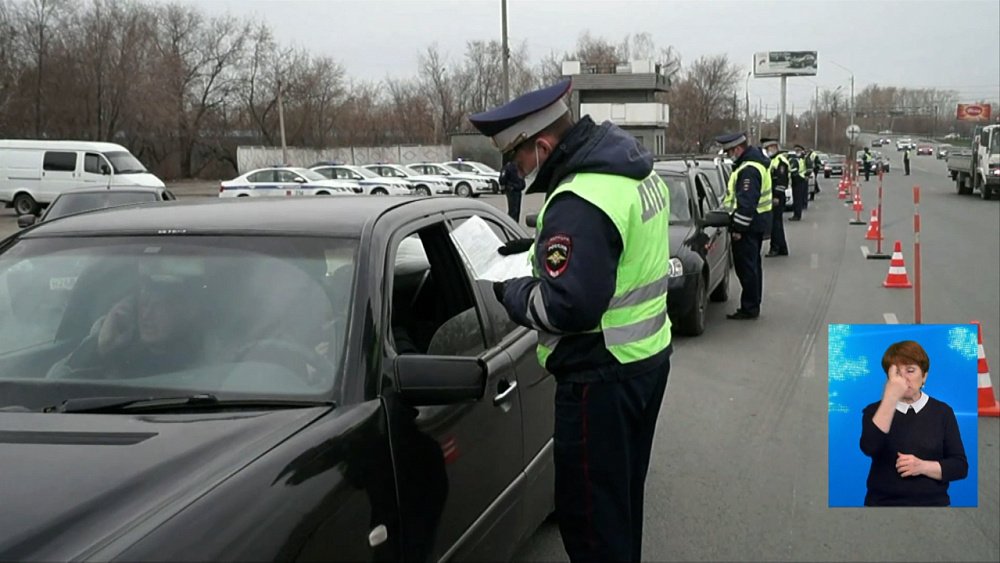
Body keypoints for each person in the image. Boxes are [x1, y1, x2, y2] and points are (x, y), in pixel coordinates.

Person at [469, 78, 672, 562]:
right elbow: (613, 256)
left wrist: (511, 289)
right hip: (644, 361)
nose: (516, 171)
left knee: (591, 523)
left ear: (541, 145)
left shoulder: (578, 199)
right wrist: (543, 250)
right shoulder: (631, 169)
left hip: (597, 378)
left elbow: (569, 308)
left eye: (516, 157)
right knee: (620, 504)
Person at [859, 340, 969, 506]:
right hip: (883, 502)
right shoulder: (874, 411)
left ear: (924, 376)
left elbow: (960, 467)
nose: (904, 378)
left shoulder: (943, 412)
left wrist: (922, 466)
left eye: (910, 371)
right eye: (896, 373)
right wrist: (890, 397)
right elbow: (869, 447)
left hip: (933, 503)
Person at [47, 264, 204, 379]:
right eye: (144, 303)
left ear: (189, 310)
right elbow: (54, 387)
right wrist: (99, 347)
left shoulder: (210, 359)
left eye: (159, 305)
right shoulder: (119, 350)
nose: (146, 314)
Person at [716, 131, 772, 319]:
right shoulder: (752, 164)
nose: (729, 156)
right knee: (753, 267)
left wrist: (738, 229)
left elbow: (746, 205)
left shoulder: (748, 170)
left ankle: (750, 307)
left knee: (747, 269)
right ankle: (752, 304)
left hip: (748, 228)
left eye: (730, 152)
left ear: (738, 149)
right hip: (755, 226)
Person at [761, 138, 789, 257]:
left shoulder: (780, 161)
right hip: (773, 195)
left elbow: (781, 180)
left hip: (777, 196)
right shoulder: (773, 160)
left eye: (768, 149)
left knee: (775, 224)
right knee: (776, 223)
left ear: (774, 147)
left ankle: (775, 247)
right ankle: (782, 248)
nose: (767, 151)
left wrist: (776, 196)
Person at [498, 157, 525, 222]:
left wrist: (522, 185)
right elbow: (502, 179)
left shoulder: (518, 167)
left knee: (517, 210)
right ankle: (511, 224)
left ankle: (515, 224)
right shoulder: (508, 167)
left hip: (518, 189)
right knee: (513, 210)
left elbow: (522, 178)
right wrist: (508, 186)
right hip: (511, 190)